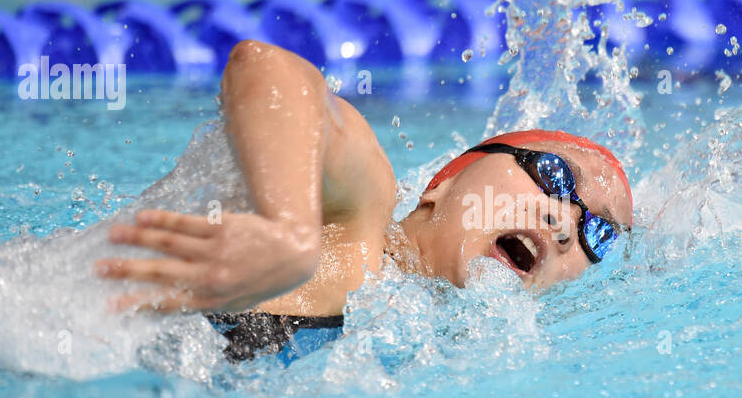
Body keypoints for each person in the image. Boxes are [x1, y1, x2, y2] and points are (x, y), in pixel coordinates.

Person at [94, 40, 633, 362]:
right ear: (447, 178)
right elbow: (264, 68)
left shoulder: (431, 353)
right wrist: (288, 232)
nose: (565, 223)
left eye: (599, 235)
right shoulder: (357, 218)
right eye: (555, 175)